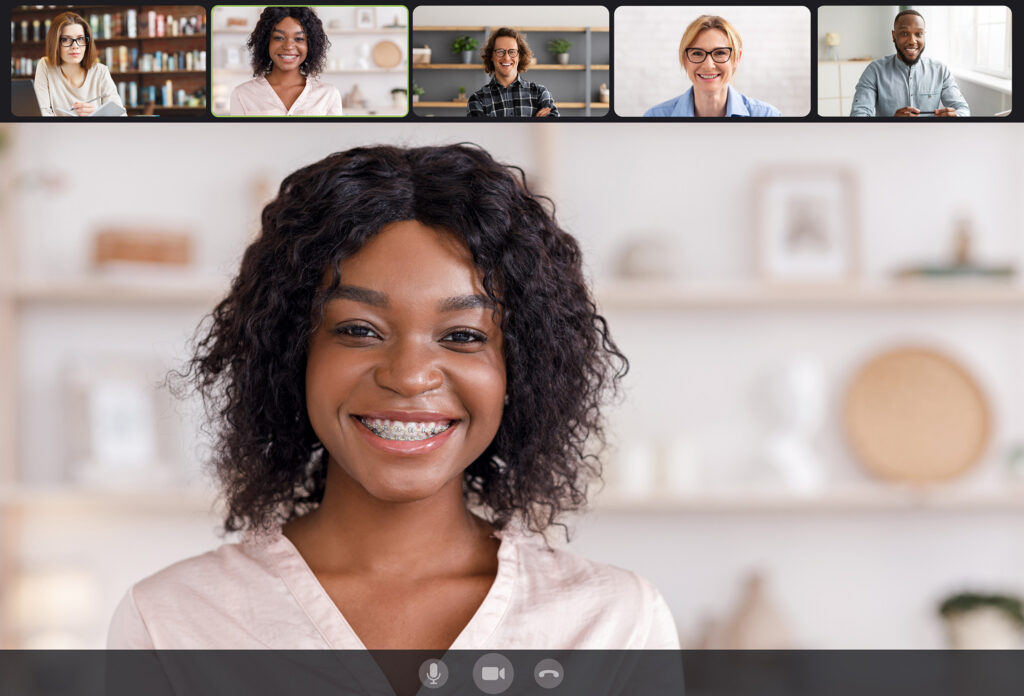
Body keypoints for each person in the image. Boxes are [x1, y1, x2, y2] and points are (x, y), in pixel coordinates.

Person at [107, 144, 679, 651]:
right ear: (291, 355)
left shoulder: (616, 624)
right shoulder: (170, 623)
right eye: (358, 329)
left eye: (463, 336)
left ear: (521, 371)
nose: (409, 377)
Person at [644, 15, 780, 117]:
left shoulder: (767, 117)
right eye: (697, 53)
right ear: (684, 59)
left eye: (720, 52)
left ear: (736, 58)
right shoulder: (655, 118)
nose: (708, 65)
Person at [850, 9, 970, 117]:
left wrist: (956, 116)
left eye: (918, 34)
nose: (912, 41)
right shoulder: (874, 71)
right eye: (904, 33)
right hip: (888, 138)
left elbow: (963, 110)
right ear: (893, 36)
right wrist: (892, 123)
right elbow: (858, 116)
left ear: (924, 36)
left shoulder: (940, 70)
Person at [229, 6, 342, 116]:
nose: (288, 46)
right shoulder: (242, 95)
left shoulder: (329, 95)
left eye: (299, 39)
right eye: (279, 37)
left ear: (310, 45)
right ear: (266, 42)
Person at [33, 11, 125, 117]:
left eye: (80, 39)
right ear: (55, 42)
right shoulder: (45, 65)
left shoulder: (100, 71)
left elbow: (121, 116)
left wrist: (97, 114)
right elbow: (41, 113)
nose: (75, 46)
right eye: (66, 39)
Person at [467, 27, 558, 117]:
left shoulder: (540, 93)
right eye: (500, 51)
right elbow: (479, 132)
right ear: (491, 56)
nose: (506, 57)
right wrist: (534, 123)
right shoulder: (477, 100)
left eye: (512, 52)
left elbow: (551, 130)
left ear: (520, 56)